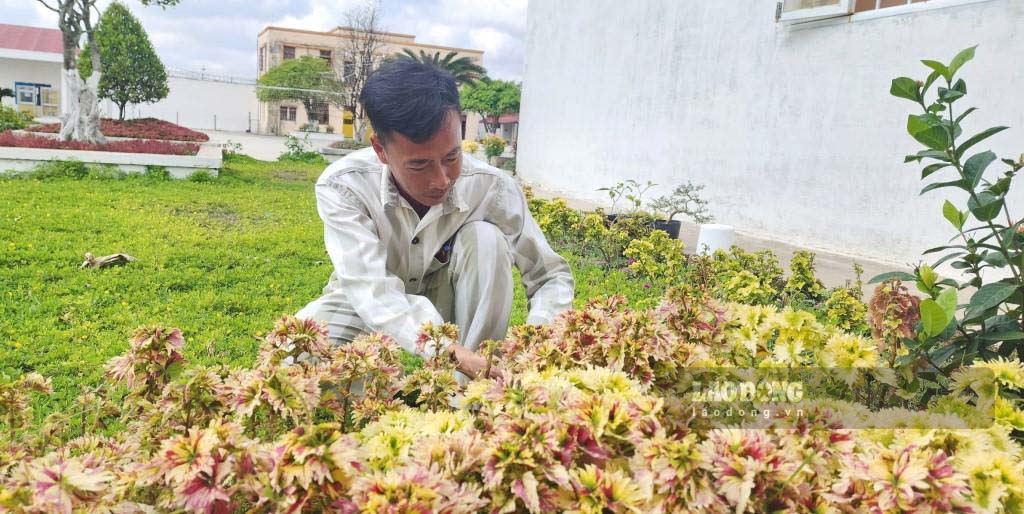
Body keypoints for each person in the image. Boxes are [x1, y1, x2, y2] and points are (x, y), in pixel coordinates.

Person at [296, 60, 574, 380]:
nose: (441, 179)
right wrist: (444, 348)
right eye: (419, 165)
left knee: (486, 240)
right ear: (380, 149)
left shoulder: (491, 187)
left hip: (452, 297)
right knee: (299, 361)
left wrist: (536, 343)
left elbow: (549, 275)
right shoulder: (345, 186)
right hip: (371, 298)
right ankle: (407, 388)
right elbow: (370, 289)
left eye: (452, 157)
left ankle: (472, 387)